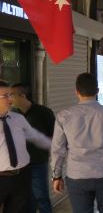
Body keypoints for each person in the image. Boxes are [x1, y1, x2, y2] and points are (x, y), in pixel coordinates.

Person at [51, 73, 103, 213]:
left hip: (77, 177)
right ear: (98, 91)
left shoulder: (63, 116)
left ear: (76, 92)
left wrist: (56, 175)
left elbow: (58, 149)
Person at [0, 80, 51, 212]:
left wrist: (59, 147)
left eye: (11, 95)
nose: (10, 99)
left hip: (23, 176)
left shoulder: (18, 119)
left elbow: (37, 137)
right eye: (5, 96)